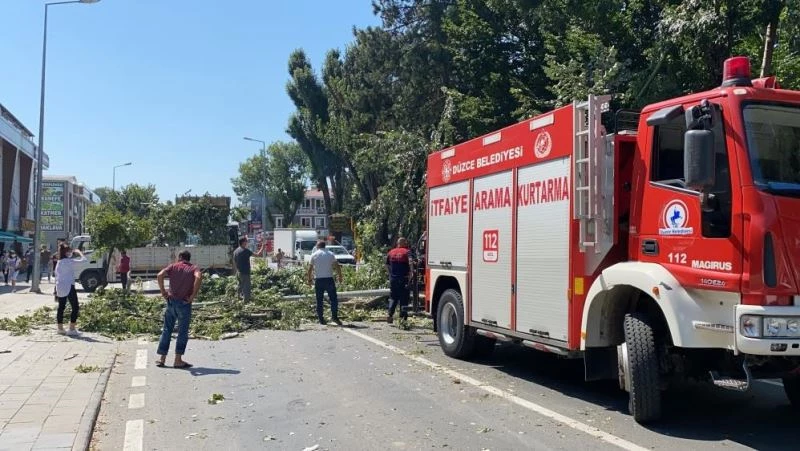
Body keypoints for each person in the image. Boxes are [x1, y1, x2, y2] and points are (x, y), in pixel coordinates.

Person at [156, 250, 202, 369]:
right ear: (188, 258)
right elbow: (199, 277)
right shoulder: (193, 268)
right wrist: (193, 296)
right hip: (184, 303)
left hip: (171, 302)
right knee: (182, 331)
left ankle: (162, 359)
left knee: (167, 329)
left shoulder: (173, 266)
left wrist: (163, 292)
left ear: (180, 257)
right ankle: (177, 360)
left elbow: (160, 275)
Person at [306, 240, 342, 325]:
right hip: (329, 279)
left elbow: (310, 269)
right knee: (333, 299)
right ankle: (334, 317)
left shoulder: (314, 255)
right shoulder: (330, 254)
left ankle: (321, 319)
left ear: (318, 246)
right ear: (324, 246)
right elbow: (337, 266)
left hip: (319, 280)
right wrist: (340, 276)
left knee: (319, 300)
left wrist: (309, 280)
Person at [54, 244, 86, 336]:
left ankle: (60, 328)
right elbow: (84, 260)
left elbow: (56, 275)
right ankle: (71, 329)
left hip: (59, 286)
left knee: (61, 307)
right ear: (66, 252)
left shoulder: (59, 262)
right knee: (75, 307)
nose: (70, 253)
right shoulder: (69, 261)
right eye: (69, 251)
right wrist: (79, 252)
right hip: (69, 286)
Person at [386, 237, 414, 324]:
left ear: (398, 243)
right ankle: (402, 319)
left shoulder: (391, 252)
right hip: (404, 278)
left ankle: (390, 314)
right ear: (404, 243)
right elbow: (410, 262)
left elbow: (386, 265)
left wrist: (390, 274)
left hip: (393, 279)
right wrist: (412, 273)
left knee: (393, 297)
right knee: (404, 298)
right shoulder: (407, 251)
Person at [232, 237, 253, 301]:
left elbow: (234, 262)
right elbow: (258, 254)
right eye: (246, 241)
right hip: (245, 272)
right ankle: (246, 301)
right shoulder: (245, 250)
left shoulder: (236, 251)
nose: (247, 243)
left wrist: (236, 270)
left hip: (239, 272)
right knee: (246, 287)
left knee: (240, 285)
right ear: (243, 242)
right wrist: (262, 247)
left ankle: (238, 297)